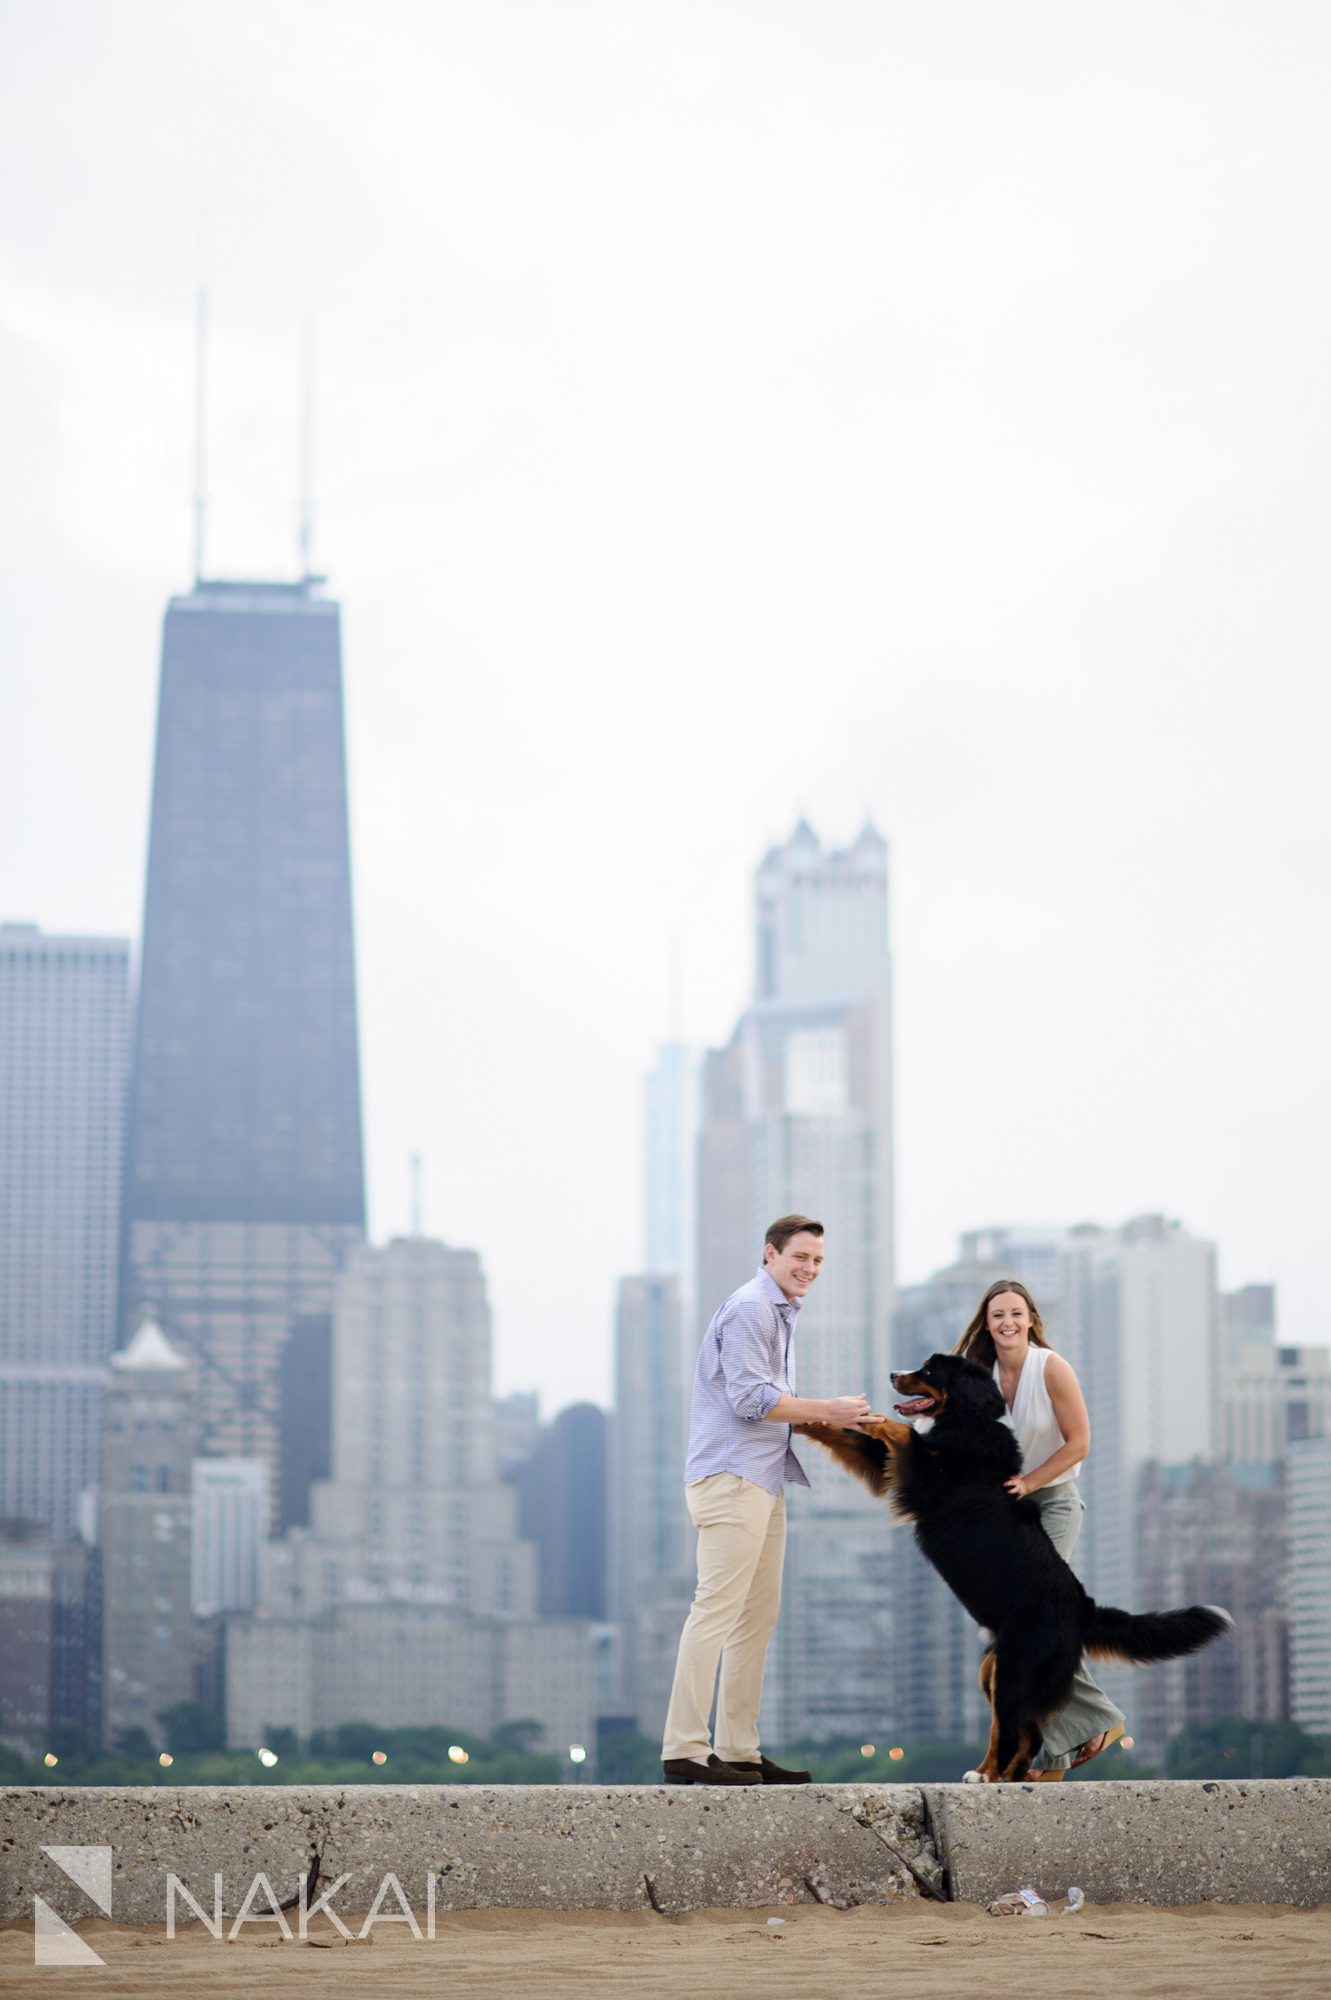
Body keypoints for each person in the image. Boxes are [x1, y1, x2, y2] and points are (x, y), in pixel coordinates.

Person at [660, 1214, 871, 1785]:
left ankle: (737, 1751)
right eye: (800, 1256)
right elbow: (753, 1399)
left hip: (763, 1479)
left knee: (756, 1619)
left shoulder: (779, 1310)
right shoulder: (753, 1307)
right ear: (770, 1254)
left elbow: (769, 1401)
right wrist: (829, 1410)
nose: (810, 1269)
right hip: (731, 1479)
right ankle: (683, 1748)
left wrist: (845, 1424)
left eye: (819, 1261)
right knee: (716, 1612)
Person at [954, 1277, 1126, 1778]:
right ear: (986, 1324)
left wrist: (1029, 1482)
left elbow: (1079, 1443)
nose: (1007, 1322)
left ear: (1031, 1319)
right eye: (997, 1315)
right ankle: (1050, 1753)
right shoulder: (976, 1375)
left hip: (1052, 1501)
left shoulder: (1051, 1368)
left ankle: (1092, 1722)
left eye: (1016, 1313)